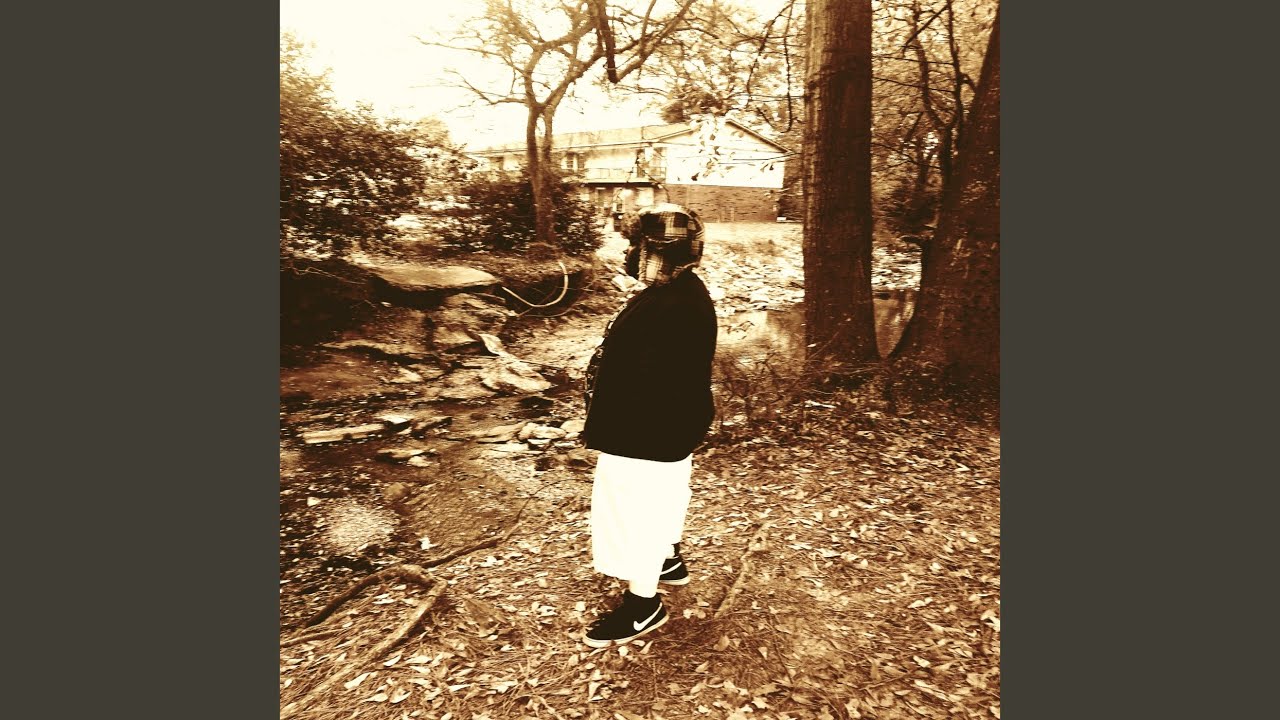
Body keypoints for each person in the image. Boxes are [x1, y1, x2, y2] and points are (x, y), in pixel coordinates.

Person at [579, 203, 718, 647]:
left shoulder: (675, 305)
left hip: (646, 434)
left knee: (635, 513)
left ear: (660, 252)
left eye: (635, 245)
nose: (629, 254)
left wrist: (615, 429)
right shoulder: (678, 291)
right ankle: (668, 560)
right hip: (668, 429)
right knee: (667, 497)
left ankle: (644, 605)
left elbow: (652, 383)